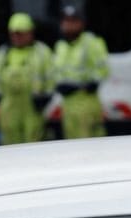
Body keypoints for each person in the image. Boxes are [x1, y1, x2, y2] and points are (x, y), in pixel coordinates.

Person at [0, 12, 53, 144]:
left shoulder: (41, 52)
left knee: (33, 141)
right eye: (14, 34)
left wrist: (45, 98)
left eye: (20, 33)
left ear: (30, 33)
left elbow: (50, 78)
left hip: (33, 107)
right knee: (10, 143)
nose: (16, 37)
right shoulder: (4, 53)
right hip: (9, 108)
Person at [53, 4, 109, 139]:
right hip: (67, 103)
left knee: (89, 144)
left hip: (86, 101)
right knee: (71, 143)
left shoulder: (91, 42)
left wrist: (89, 84)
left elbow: (103, 69)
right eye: (66, 21)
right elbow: (56, 72)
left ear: (81, 23)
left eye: (73, 21)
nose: (69, 25)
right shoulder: (60, 46)